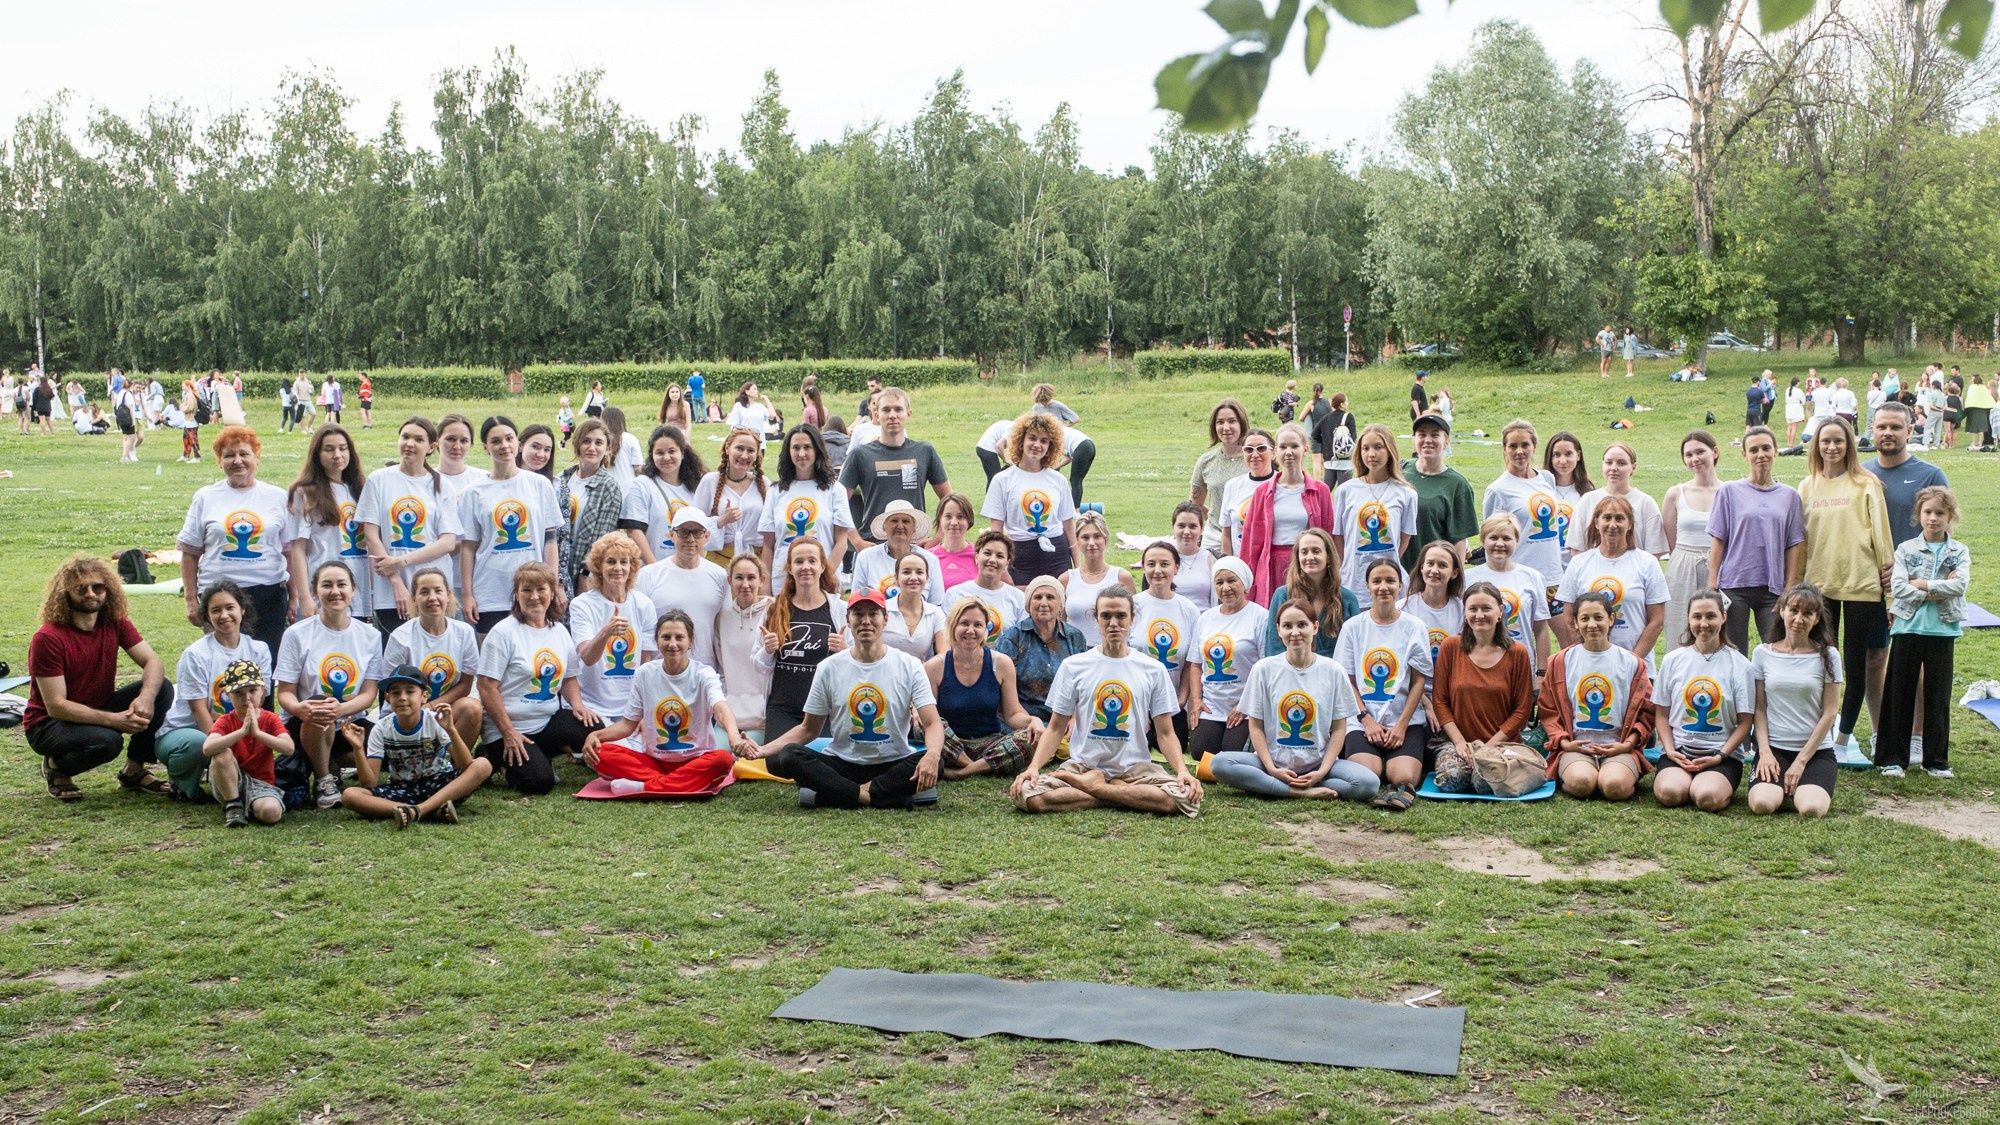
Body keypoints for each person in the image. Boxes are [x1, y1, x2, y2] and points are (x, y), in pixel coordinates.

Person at [1011, 587, 1202, 816]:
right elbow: (1055, 727)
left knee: (1185, 798)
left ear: (1132, 619)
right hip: (1084, 766)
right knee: (1026, 793)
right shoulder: (1075, 666)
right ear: (1096, 619)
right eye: (1106, 616)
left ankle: (1096, 790)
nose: (1114, 623)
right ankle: (1121, 795)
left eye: (1121, 616)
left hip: (1135, 770)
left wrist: (1182, 771)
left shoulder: (1153, 669)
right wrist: (1033, 768)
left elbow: (1165, 733)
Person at [746, 590, 944, 809]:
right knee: (789, 756)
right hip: (843, 763)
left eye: (873, 614)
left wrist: (933, 755)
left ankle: (836, 794)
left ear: (885, 619)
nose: (866, 621)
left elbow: (932, 723)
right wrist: (763, 750)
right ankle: (877, 796)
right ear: (848, 621)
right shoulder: (828, 667)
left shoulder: (909, 665)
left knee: (939, 760)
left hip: (892, 762)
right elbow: (808, 729)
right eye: (858, 614)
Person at [25, 554, 173, 801]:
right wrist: (114, 720)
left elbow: (153, 662)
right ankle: (57, 768)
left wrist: (146, 698)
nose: (91, 593)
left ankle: (133, 771)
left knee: (161, 688)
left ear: (109, 589)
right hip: (49, 723)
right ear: (65, 592)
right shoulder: (48, 638)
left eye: (98, 587)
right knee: (108, 742)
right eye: (81, 588)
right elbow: (56, 706)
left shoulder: (114, 622)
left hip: (96, 707)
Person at [1209, 597, 1379, 802]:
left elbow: (1339, 728)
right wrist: (1271, 769)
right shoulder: (1264, 669)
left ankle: (1281, 786)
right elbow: (1255, 726)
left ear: (1315, 627)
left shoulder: (1334, 670)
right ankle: (1297, 791)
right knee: (1219, 763)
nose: (1295, 632)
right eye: (1288, 626)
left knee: (1369, 783)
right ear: (1278, 630)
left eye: (1302, 625)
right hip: (1271, 762)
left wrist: (1323, 770)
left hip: (1318, 763)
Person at [1797, 416, 1894, 758]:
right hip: (1819, 590)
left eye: (1839, 441)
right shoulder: (1807, 486)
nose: (1832, 447)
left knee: (1853, 665)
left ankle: (1842, 739)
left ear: (1849, 445)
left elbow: (1883, 539)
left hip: (1861, 587)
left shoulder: (1866, 483)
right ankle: (1817, 730)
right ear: (1817, 445)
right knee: (1820, 663)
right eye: (1826, 441)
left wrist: (1890, 593)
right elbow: (1802, 542)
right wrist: (1796, 587)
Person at [582, 610, 753, 796]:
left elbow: (720, 707)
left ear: (690, 641)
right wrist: (597, 735)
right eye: (666, 637)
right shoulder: (644, 673)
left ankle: (645, 787)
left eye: (679, 637)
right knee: (601, 753)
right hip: (653, 762)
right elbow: (627, 725)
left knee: (722, 760)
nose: (672, 644)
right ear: (657, 641)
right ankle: (678, 782)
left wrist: (733, 736)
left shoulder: (704, 674)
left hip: (696, 760)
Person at [1863, 402, 1950, 761]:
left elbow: (1943, 533)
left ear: (1908, 431)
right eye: (1881, 426)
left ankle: (1915, 735)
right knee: (1873, 658)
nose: (1888, 433)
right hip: (1868, 584)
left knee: (1912, 664)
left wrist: (1915, 577)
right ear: (1872, 430)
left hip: (1913, 588)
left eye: (1895, 427)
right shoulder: (1862, 473)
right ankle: (1882, 732)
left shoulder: (1929, 474)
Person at [177, 426, 305, 658]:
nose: (238, 461)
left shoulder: (277, 497)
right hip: (219, 596)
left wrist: (294, 596)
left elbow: (289, 552)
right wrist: (190, 600)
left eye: (244, 454)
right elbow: (189, 553)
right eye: (229, 455)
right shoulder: (205, 497)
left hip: (268, 596)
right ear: (219, 461)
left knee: (265, 665)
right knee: (222, 664)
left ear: (257, 457)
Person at [476, 563, 599, 795]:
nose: (534, 597)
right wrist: (508, 731)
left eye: (541, 589)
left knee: (594, 728)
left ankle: (539, 753)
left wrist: (579, 706)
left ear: (552, 593)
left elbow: (569, 678)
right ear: (517, 595)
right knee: (538, 782)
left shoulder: (559, 631)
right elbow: (485, 686)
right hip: (509, 727)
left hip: (545, 721)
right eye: (526, 590)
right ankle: (492, 757)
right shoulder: (503, 633)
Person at [274, 561, 384, 809]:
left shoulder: (370, 636)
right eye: (327, 585)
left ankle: (328, 760)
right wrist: (303, 709)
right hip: (306, 720)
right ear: (315, 592)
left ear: (353, 590)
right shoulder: (296, 634)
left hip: (349, 721)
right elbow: (286, 694)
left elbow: (369, 693)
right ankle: (324, 779)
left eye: (342, 584)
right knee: (320, 706)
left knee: (384, 751)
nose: (335, 591)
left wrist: (343, 710)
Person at [156, 582, 276, 801]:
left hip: (236, 729)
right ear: (207, 616)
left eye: (230, 607)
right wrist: (222, 744)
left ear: (242, 609)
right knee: (195, 743)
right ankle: (183, 785)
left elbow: (258, 702)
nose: (224, 615)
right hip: (188, 730)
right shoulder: (196, 654)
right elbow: (198, 710)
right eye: (216, 610)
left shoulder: (259, 650)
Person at [1879, 487, 1967, 778]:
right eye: (1928, 512)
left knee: (1938, 698)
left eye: (1940, 513)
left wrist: (1923, 585)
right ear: (1919, 515)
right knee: (1898, 695)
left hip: (1942, 631)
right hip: (1907, 628)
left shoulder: (1959, 551)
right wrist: (1938, 587)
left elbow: (1960, 586)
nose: (1933, 518)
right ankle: (1894, 759)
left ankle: (1936, 761)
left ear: (1950, 517)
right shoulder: (1905, 549)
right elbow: (1900, 588)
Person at [1333, 558, 1433, 812]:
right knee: (1369, 773)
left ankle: (1401, 780)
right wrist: (1367, 720)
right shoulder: (1353, 627)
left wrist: (1401, 725)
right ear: (1367, 586)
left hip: (1404, 718)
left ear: (1400, 585)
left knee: (1403, 777)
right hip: (1362, 718)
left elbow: (1419, 679)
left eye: (1390, 581)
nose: (1383, 587)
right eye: (1376, 581)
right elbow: (1347, 679)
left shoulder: (1414, 627)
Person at [341, 663, 493, 826]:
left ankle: (418, 810)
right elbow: (369, 783)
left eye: (410, 691)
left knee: (483, 765)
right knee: (350, 795)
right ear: (388, 698)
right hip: (402, 790)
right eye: (395, 692)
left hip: (438, 785)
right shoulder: (381, 728)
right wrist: (357, 748)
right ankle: (428, 810)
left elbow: (464, 763)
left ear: (424, 697)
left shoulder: (433, 720)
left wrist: (450, 729)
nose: (402, 697)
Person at [1539, 592, 1653, 802]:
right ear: (1575, 622)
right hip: (1577, 747)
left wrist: (1627, 745)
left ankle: (1615, 774)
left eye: (1598, 617)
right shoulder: (1560, 662)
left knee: (1614, 787)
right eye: (1585, 618)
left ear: (1611, 619)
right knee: (1582, 784)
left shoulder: (1632, 663)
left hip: (1618, 747)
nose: (1592, 624)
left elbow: (1646, 713)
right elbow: (1549, 710)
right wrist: (1563, 743)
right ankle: (1584, 773)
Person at [359, 417, 464, 637]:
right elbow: (371, 535)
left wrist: (400, 561)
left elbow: (447, 542)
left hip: (432, 589)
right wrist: (396, 581)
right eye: (405, 437)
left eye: (418, 439)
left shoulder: (442, 484)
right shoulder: (379, 479)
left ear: (431, 447)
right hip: (391, 592)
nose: (409, 444)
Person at [1650, 590, 1755, 813]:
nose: (1703, 623)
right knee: (1669, 794)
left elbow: (1746, 721)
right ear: (1688, 619)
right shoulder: (1672, 661)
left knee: (1707, 798)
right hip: (1679, 751)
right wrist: (1669, 750)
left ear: (1723, 617)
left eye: (1710, 616)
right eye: (1697, 617)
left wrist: (1720, 756)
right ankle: (1684, 780)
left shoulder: (1740, 665)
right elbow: (1661, 714)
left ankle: (1708, 784)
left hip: (1721, 755)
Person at [458, 416, 561, 635]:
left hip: (533, 590)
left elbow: (550, 540)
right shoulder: (474, 492)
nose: (504, 445)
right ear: (486, 447)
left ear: (518, 443)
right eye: (496, 441)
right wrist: (467, 595)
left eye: (509, 438)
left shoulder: (539, 484)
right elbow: (468, 547)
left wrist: (552, 585)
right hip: (490, 591)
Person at [1707, 427, 1805, 654]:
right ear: (1744, 455)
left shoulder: (1790, 496)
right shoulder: (1729, 491)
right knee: (1734, 651)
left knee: (1777, 649)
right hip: (1734, 584)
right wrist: (1712, 583)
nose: (1760, 454)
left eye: (1766, 448)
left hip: (1772, 588)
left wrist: (1789, 585)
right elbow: (1718, 539)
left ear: (1776, 451)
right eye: (1754, 450)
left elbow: (1793, 545)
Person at [1748, 584, 1841, 817]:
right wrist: (1765, 752)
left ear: (1817, 619)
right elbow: (1759, 709)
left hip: (1815, 753)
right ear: (1782, 612)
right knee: (1762, 805)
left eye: (1807, 613)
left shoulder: (1828, 655)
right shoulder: (1762, 653)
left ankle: (1801, 784)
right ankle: (1782, 786)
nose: (1799, 619)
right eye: (1794, 610)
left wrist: (1800, 762)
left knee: (1811, 809)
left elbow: (1830, 713)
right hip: (1775, 749)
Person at [926, 599, 1042, 780]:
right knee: (925, 723)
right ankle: (979, 766)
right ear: (952, 626)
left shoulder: (1001, 663)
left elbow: (1012, 714)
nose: (970, 631)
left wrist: (1032, 721)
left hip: (989, 744)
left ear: (986, 629)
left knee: (1028, 738)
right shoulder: (935, 667)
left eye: (977, 625)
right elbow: (929, 719)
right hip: (949, 743)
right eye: (964, 623)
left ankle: (962, 772)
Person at [1430, 582, 1535, 770]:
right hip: (1458, 743)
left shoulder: (1517, 653)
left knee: (1488, 778)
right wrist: (1460, 743)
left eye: (1486, 608)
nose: (1479, 615)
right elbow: (1440, 701)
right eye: (1473, 609)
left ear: (1500, 611)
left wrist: (1490, 747)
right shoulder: (1450, 647)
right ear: (1465, 613)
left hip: (1503, 744)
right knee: (1452, 779)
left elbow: (1522, 710)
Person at [381, 567, 483, 751]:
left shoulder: (464, 632)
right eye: (424, 592)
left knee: (472, 708)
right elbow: (391, 692)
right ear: (414, 598)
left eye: (438, 591)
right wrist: (420, 711)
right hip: (406, 712)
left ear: (448, 595)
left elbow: (465, 685)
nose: (432, 598)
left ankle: (455, 770)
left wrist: (430, 707)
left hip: (441, 709)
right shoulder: (401, 637)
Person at [1555, 497, 1668, 657]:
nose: (1613, 525)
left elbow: (1656, 622)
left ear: (1629, 524)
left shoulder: (1647, 563)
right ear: (1596, 522)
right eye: (1607, 518)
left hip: (1636, 663)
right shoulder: (1579, 563)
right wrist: (1585, 655)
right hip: (1589, 662)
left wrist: (1632, 661)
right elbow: (1568, 618)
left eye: (1620, 518)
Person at [761, 536, 850, 737]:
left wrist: (845, 650)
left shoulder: (839, 609)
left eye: (812, 561)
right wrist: (767, 651)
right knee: (777, 762)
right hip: (783, 708)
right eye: (799, 562)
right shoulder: (774, 608)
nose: (806, 567)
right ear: (790, 568)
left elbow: (859, 661)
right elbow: (758, 666)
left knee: (817, 761)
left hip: (825, 709)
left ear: (822, 567)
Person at [840, 386, 952, 545]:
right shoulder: (860, 454)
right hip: (873, 545)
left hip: (914, 547)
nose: (892, 415)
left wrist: (938, 538)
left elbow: (949, 500)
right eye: (886, 410)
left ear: (908, 413)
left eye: (898, 409)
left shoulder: (925, 451)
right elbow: (839, 502)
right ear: (877, 415)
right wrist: (856, 540)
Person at [1237, 422, 1333, 602]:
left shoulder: (1321, 491)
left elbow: (1328, 537)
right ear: (1275, 452)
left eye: (1294, 446)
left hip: (1306, 563)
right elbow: (1250, 541)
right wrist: (1246, 580)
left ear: (1305, 449)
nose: (1288, 452)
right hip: (1270, 564)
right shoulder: (1263, 492)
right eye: (1283, 447)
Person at [1187, 556, 1269, 762]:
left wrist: (1247, 704)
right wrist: (1196, 700)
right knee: (1200, 753)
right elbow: (1196, 664)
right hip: (1213, 704)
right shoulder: (1206, 618)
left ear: (1245, 583)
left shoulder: (1260, 617)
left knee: (1233, 754)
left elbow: (1265, 668)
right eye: (1219, 582)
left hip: (1245, 705)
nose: (1226, 588)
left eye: (1232, 580)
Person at [570, 534, 659, 724]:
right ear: (598, 567)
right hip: (592, 706)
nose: (618, 568)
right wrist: (606, 632)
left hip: (631, 705)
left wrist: (642, 706)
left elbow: (645, 660)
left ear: (632, 567)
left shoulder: (644, 604)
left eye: (623, 562)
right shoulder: (582, 605)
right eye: (610, 562)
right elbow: (587, 657)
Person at [760, 424, 859, 592]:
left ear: (817, 450)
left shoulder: (835, 490)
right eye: (796, 447)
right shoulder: (776, 491)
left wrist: (824, 578)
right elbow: (768, 545)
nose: (801, 454)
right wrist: (766, 588)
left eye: (807, 447)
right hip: (782, 584)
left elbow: (841, 542)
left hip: (823, 584)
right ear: (788, 451)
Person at [287, 425, 370, 624]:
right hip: (325, 590)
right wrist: (305, 598)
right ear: (317, 454)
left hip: (360, 590)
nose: (337, 455)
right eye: (329, 449)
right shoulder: (306, 492)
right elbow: (298, 548)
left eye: (343, 448)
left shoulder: (361, 488)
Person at [983, 412, 1077, 585]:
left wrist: (1078, 567)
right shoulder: (1002, 480)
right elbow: (996, 530)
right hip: (1020, 556)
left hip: (1057, 554)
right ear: (1021, 441)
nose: (1037, 445)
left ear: (1051, 446)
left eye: (1044, 441)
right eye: (1032, 438)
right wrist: (1002, 570)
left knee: (1058, 607)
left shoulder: (1058, 480)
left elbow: (1069, 526)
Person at [200, 660, 296, 827]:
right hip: (230, 779)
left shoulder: (270, 718)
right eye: (238, 692)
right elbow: (208, 748)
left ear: (263, 691)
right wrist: (242, 732)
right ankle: (233, 804)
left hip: (261, 783)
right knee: (221, 752)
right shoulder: (225, 720)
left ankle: (251, 805)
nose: (247, 698)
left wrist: (257, 733)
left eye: (252, 690)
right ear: (228, 695)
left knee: (271, 813)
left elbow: (288, 748)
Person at [1130, 540, 1203, 753]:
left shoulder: (1189, 609)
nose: (1157, 570)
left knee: (1175, 745)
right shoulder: (1132, 606)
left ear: (1176, 567)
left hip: (1172, 703)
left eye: (1164, 564)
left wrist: (1180, 702)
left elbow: (1191, 662)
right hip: (1137, 701)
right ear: (1143, 567)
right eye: (1151, 564)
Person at [633, 510, 729, 668]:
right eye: (683, 532)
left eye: (697, 533)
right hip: (660, 671)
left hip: (705, 671)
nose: (690, 539)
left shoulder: (719, 575)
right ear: (671, 535)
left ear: (707, 536)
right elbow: (639, 629)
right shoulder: (649, 575)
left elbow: (724, 629)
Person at [1333, 424, 1419, 594]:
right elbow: (1339, 537)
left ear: (1389, 450)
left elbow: (1404, 538)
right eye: (1366, 448)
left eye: (1378, 447)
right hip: (1353, 581)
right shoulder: (1345, 490)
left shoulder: (1406, 494)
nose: (1371, 454)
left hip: (1389, 583)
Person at [1482, 420, 1565, 596]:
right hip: (1519, 577)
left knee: (1564, 625)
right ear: (1505, 449)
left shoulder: (1547, 478)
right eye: (1513, 446)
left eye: (1525, 445)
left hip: (1552, 575)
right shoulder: (1498, 489)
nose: (1519, 451)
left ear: (1534, 446)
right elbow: (1491, 541)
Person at [1465, 515, 1551, 675]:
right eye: (1493, 538)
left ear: (1517, 541)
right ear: (1483, 541)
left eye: (1506, 538)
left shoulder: (1533, 577)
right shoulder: (1468, 578)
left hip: (1520, 668)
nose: (1499, 544)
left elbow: (1541, 630)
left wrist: (1542, 673)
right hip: (1477, 667)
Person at [1660, 431, 1720, 652]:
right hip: (1682, 566)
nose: (1695, 458)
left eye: (1700, 452)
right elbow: (1670, 539)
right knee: (1679, 628)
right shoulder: (1676, 493)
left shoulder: (1729, 491)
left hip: (1718, 567)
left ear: (1714, 452)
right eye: (1689, 454)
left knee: (1716, 630)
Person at [1262, 527, 1361, 660]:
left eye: (1316, 551)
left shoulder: (1347, 599)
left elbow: (1354, 647)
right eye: (1304, 552)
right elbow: (1273, 646)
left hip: (1335, 672)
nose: (1309, 557)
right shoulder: (1282, 596)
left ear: (1329, 557)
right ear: (1298, 558)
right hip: (1292, 673)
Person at [553, 417, 625, 597]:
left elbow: (601, 541)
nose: (592, 448)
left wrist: (585, 575)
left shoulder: (609, 487)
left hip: (582, 573)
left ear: (607, 448)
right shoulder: (561, 479)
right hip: (555, 570)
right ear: (577, 444)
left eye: (598, 442)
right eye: (586, 441)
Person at [621, 424, 705, 564]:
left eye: (672, 451)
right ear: (652, 456)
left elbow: (701, 532)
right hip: (651, 572)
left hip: (687, 571)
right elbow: (634, 531)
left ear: (682, 453)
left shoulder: (695, 487)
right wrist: (656, 569)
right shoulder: (642, 485)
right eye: (659, 453)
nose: (666, 457)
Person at [1403, 414, 1477, 571]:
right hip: (1396, 575)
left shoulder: (1457, 485)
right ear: (1414, 439)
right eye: (1422, 434)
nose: (1428, 440)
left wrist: (1454, 578)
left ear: (1447, 441)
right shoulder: (1399, 472)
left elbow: (1459, 541)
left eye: (1435, 434)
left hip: (1432, 575)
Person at [1566, 443, 1665, 558]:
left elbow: (1654, 551)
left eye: (1621, 463)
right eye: (1608, 462)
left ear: (1633, 467)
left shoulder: (1646, 503)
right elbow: (1577, 548)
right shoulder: (1587, 500)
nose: (1613, 468)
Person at [715, 555, 777, 739]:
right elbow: (721, 666)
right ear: (730, 581)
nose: (745, 584)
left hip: (764, 717)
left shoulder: (774, 610)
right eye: (739, 577)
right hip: (730, 716)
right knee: (718, 761)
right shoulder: (722, 616)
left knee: (747, 764)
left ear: (762, 580)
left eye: (751, 577)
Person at [695, 427, 770, 563]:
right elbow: (695, 524)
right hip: (721, 559)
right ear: (727, 448)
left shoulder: (763, 484)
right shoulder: (710, 481)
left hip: (756, 561)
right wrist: (722, 520)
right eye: (739, 448)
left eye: (750, 450)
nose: (744, 455)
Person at [851, 500, 946, 604]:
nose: (900, 526)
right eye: (894, 521)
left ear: (914, 528)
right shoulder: (866, 558)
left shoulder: (930, 560)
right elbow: (857, 601)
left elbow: (937, 605)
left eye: (906, 521)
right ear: (884, 527)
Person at [1061, 510, 1133, 645]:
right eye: (1085, 537)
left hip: (1112, 652)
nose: (1091, 543)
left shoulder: (1122, 577)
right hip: (1077, 655)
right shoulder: (1066, 579)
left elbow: (1133, 624)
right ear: (1077, 540)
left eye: (1097, 536)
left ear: (1105, 539)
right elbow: (1058, 625)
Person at [1189, 398, 1251, 553]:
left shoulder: (1254, 457)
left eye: (1232, 421)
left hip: (1246, 535)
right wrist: (1215, 517)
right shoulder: (1206, 461)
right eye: (1220, 422)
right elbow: (1195, 503)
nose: (1226, 427)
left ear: (1241, 424)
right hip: (1214, 536)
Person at [945, 531, 1028, 641]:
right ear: (976, 557)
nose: (992, 560)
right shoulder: (955, 594)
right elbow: (947, 637)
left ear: (1007, 563)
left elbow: (1022, 641)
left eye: (1000, 556)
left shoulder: (1018, 598)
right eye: (987, 553)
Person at [1402, 541, 1466, 674]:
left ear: (1454, 573)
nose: (1434, 570)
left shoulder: (1463, 609)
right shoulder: (1402, 608)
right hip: (1413, 689)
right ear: (1421, 568)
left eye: (1442, 565)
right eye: (1430, 563)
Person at [1218, 428, 1276, 559]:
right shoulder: (1232, 486)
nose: (1255, 454)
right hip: (1242, 563)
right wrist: (1228, 564)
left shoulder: (1282, 483)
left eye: (1261, 448)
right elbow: (1226, 533)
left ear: (1274, 452)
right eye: (1249, 449)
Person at [883, 552, 948, 661]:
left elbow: (944, 653)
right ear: (896, 578)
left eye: (919, 572)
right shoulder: (882, 610)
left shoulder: (936, 613)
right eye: (906, 572)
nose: (913, 577)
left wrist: (919, 674)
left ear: (927, 578)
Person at [1542, 431, 1593, 569]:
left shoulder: (1589, 492)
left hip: (1579, 566)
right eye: (1557, 455)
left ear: (1578, 456)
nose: (1563, 461)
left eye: (1568, 454)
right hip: (1547, 566)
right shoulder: (1540, 489)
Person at [434, 414, 491, 510]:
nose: (457, 446)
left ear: (471, 444)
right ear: (437, 441)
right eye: (450, 439)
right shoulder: (425, 480)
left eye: (464, 441)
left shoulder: (484, 479)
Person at [1168, 501, 1214, 610]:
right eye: (1181, 526)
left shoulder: (1211, 559)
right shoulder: (1164, 559)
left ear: (1202, 529)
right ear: (1173, 527)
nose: (1187, 531)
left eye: (1193, 526)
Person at [929, 493, 980, 590]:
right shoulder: (928, 557)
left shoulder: (979, 556)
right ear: (939, 519)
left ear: (969, 520)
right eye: (948, 516)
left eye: (960, 517)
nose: (954, 523)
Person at [1311, 391, 1357, 488]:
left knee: (1326, 491)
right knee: (1344, 491)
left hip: (1329, 460)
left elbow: (1314, 434)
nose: (1347, 403)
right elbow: (1353, 437)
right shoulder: (1348, 417)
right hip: (1344, 459)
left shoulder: (1326, 418)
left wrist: (1325, 443)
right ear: (1342, 404)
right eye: (1346, 401)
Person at [602, 405, 643, 488]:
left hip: (605, 486)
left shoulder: (600, 439)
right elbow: (638, 469)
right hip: (629, 487)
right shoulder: (631, 439)